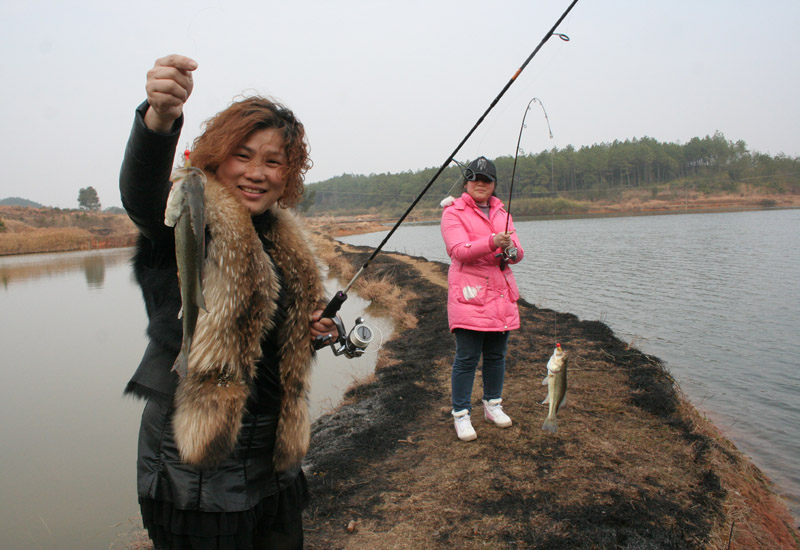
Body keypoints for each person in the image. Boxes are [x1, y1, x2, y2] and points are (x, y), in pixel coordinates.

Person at [119, 54, 338, 550]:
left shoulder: (284, 240)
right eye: (243, 155)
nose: (256, 173)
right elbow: (142, 196)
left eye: (273, 162)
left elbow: (269, 337)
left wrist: (314, 330)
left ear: (288, 174)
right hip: (194, 465)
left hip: (272, 458)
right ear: (216, 158)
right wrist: (159, 120)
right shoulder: (187, 216)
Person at [440, 156, 524, 442]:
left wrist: (510, 250)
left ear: (494, 184)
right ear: (466, 182)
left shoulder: (503, 213)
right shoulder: (452, 212)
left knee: (497, 355)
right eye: (475, 178)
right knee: (466, 358)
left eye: (486, 180)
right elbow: (459, 251)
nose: (480, 183)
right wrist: (492, 242)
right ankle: (461, 414)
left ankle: (493, 405)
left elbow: (518, 253)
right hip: (470, 296)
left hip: (501, 294)